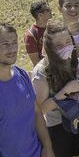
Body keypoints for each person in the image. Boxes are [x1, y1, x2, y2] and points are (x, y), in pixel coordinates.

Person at [31, 21, 79, 157]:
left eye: (68, 41)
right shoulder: (41, 72)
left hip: (78, 119)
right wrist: (63, 92)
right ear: (49, 48)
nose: (66, 47)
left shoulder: (71, 60)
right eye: (59, 45)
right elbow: (40, 110)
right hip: (57, 128)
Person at [0, 23, 54, 157]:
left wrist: (47, 147)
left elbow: (36, 112)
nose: (12, 49)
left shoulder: (22, 75)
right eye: (5, 44)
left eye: (14, 43)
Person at [25, 0, 52, 66]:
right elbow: (36, 63)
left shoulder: (52, 27)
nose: (51, 10)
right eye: (47, 10)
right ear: (40, 15)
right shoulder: (30, 35)